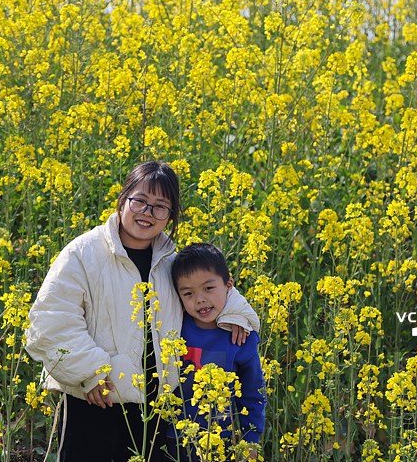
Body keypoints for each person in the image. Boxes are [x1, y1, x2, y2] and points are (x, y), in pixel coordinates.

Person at [24, 161, 260, 462]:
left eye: (161, 206)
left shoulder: (170, 260)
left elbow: (208, 289)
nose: (147, 213)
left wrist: (237, 314)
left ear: (170, 216)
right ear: (123, 199)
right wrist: (91, 373)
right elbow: (50, 320)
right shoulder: (82, 253)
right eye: (140, 201)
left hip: (155, 409)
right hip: (96, 400)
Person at [167, 242, 266, 462]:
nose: (200, 299)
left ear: (229, 285)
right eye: (188, 293)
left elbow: (252, 393)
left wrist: (251, 439)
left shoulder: (241, 338)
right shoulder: (172, 327)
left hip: (223, 440)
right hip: (175, 438)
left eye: (208, 288)